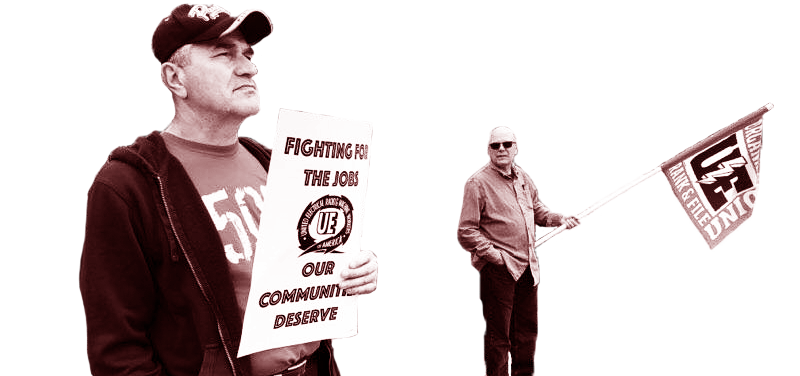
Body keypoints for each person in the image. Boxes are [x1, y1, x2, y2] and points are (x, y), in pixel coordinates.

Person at [77, 3, 379, 376]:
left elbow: (306, 260)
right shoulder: (126, 187)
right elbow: (116, 356)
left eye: (249, 55)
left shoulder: (272, 163)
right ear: (175, 78)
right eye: (224, 54)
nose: (248, 67)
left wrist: (350, 270)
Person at [458, 127, 581, 376]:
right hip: (498, 270)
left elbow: (537, 209)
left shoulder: (523, 177)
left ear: (516, 147)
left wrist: (560, 217)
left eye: (506, 144)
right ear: (490, 150)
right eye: (495, 145)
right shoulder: (477, 183)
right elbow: (466, 229)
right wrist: (495, 256)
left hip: (527, 266)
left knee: (526, 330)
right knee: (497, 334)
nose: (501, 149)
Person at [330, 108, 421, 375]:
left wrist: (341, 243)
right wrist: (375, 225)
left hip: (388, 304)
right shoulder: (323, 178)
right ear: (384, 132)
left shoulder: (382, 176)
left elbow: (405, 225)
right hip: (338, 309)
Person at [438, 106, 502, 351]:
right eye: (474, 127)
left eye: (484, 126)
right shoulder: (455, 156)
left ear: (492, 130)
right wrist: (455, 225)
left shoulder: (499, 153)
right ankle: (456, 340)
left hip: (492, 231)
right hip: (464, 231)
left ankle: (482, 336)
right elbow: (446, 192)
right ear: (468, 131)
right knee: (463, 287)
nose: (478, 130)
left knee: (489, 284)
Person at [520, 129, 561, 308]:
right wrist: (534, 224)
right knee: (536, 259)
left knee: (546, 259)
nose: (553, 147)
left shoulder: (539, 166)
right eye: (552, 143)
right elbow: (526, 197)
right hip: (537, 224)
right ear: (546, 146)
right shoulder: (529, 167)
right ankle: (532, 296)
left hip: (548, 223)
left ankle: (543, 292)